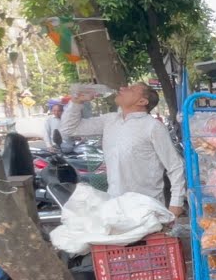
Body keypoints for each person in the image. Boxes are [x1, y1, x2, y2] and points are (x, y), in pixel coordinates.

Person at [61, 82, 186, 216]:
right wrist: (76, 102)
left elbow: (175, 166)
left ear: (142, 101)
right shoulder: (110, 120)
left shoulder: (152, 126)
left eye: (131, 89)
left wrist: (176, 204)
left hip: (146, 208)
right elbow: (69, 129)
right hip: (115, 205)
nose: (121, 88)